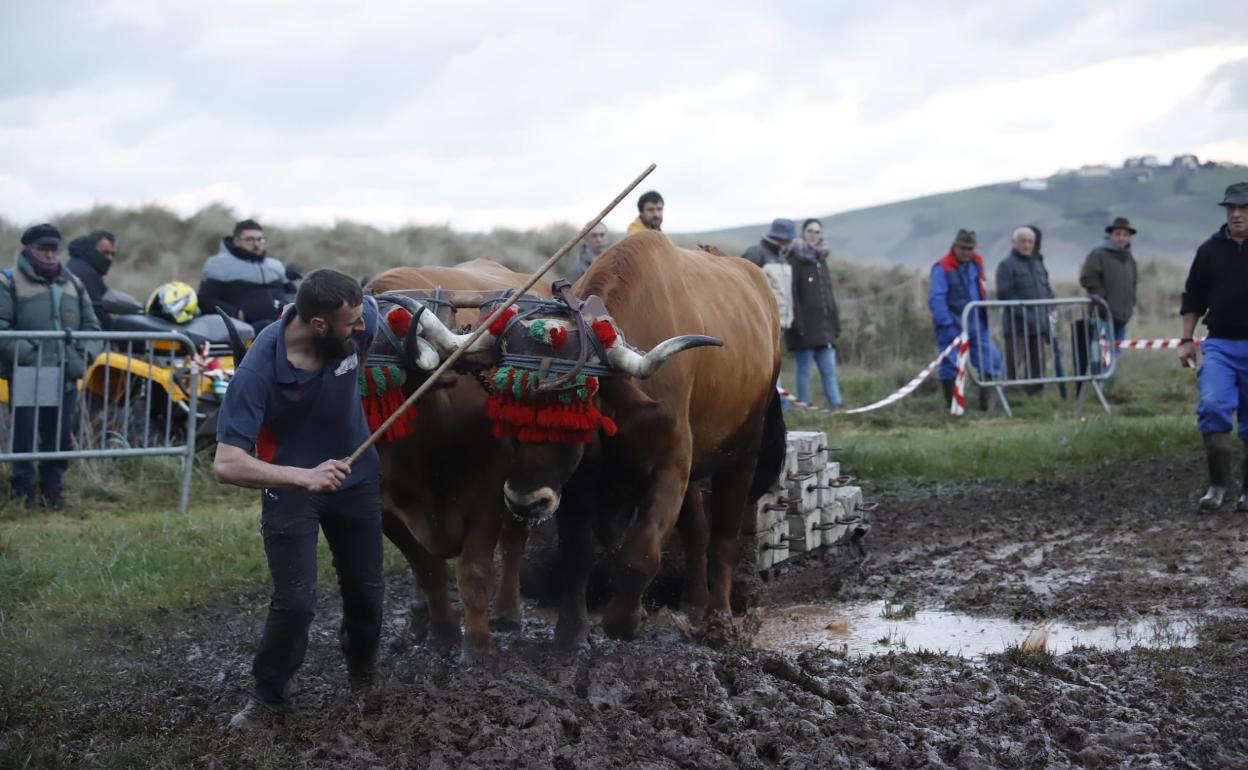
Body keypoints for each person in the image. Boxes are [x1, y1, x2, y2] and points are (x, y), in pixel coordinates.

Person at [213, 268, 384, 729]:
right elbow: (227, 463)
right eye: (352, 323)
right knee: (295, 603)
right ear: (319, 325)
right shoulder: (258, 371)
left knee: (367, 595)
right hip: (290, 484)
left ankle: (363, 679)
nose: (364, 328)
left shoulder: (357, 315)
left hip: (356, 477)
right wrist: (304, 477)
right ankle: (268, 698)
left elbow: (383, 312)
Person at [0, 224, 101, 509]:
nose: (48, 254)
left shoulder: (74, 284)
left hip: (65, 374)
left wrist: (82, 359)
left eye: (53, 249)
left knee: (58, 437)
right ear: (28, 248)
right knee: (25, 437)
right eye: (42, 248)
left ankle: (53, 493)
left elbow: (93, 327)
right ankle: (22, 496)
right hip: (29, 373)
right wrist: (32, 356)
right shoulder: (8, 281)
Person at [1178, 182, 1248, 512]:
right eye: (1231, 208)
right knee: (1213, 406)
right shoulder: (1209, 251)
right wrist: (1186, 339)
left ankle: (1247, 492)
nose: (1236, 214)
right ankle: (1218, 487)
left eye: (1243, 208)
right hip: (1219, 344)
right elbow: (1193, 296)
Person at [928, 229, 1002, 410]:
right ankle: (953, 408)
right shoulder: (942, 267)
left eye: (970, 248)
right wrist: (946, 324)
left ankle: (988, 408)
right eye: (963, 248)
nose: (966, 252)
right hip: (951, 325)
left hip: (977, 322)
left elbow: (981, 288)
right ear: (955, 246)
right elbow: (936, 298)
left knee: (991, 360)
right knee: (950, 364)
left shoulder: (977, 263)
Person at [785, 218, 843, 409]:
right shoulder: (793, 260)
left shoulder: (821, 260)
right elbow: (791, 294)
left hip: (825, 329)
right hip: (803, 329)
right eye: (810, 231)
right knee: (804, 371)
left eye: (817, 232)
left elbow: (829, 295)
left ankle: (836, 407)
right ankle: (805, 407)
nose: (814, 235)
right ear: (803, 233)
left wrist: (835, 323)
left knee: (829, 371)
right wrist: (798, 325)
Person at [198, 219, 287, 331]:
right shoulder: (217, 264)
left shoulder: (275, 265)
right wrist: (238, 314)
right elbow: (205, 300)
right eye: (250, 239)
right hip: (243, 330)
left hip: (281, 322)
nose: (256, 244)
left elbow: (291, 293)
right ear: (237, 240)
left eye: (260, 239)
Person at [996, 226, 1054, 395]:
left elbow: (1047, 290)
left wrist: (1051, 307)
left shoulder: (1038, 264)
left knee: (1038, 365)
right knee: (1013, 365)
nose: (1027, 245)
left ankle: (1035, 399)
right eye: (1023, 241)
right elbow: (1005, 294)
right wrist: (1028, 315)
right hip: (1017, 327)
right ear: (1014, 243)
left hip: (1039, 325)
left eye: (1030, 242)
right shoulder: (1006, 266)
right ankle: (1010, 399)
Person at [1079, 217, 1138, 374]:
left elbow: (1133, 283)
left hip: (1123, 315)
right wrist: (1099, 296)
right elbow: (1087, 277)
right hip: (1103, 314)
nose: (1121, 238)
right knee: (1101, 353)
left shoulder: (1129, 258)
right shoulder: (1098, 254)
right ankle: (1099, 386)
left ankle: (1109, 384)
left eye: (1125, 235)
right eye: (1118, 234)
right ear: (1111, 235)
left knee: (1116, 353)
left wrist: (1131, 304)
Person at [67, 229, 117, 329]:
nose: (109, 258)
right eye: (105, 253)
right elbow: (98, 312)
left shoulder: (77, 266)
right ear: (92, 249)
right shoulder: (86, 274)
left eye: (112, 254)